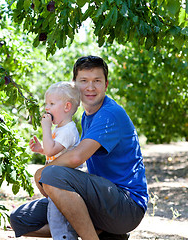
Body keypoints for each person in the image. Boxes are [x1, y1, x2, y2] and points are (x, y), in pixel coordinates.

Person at [10, 56, 149, 240]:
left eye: (97, 81)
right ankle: (106, 234)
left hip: (126, 206)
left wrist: (41, 173)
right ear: (75, 85)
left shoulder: (110, 114)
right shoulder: (86, 116)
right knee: (20, 219)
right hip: (98, 202)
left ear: (106, 84)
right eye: (84, 81)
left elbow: (77, 157)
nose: (90, 87)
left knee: (51, 174)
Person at [29, 81, 81, 240]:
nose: (46, 108)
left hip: (63, 185)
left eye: (51, 103)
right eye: (46, 104)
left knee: (59, 220)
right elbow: (55, 150)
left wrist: (46, 128)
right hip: (56, 182)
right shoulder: (60, 128)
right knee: (56, 217)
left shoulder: (69, 129)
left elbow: (52, 150)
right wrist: (41, 149)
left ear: (66, 107)